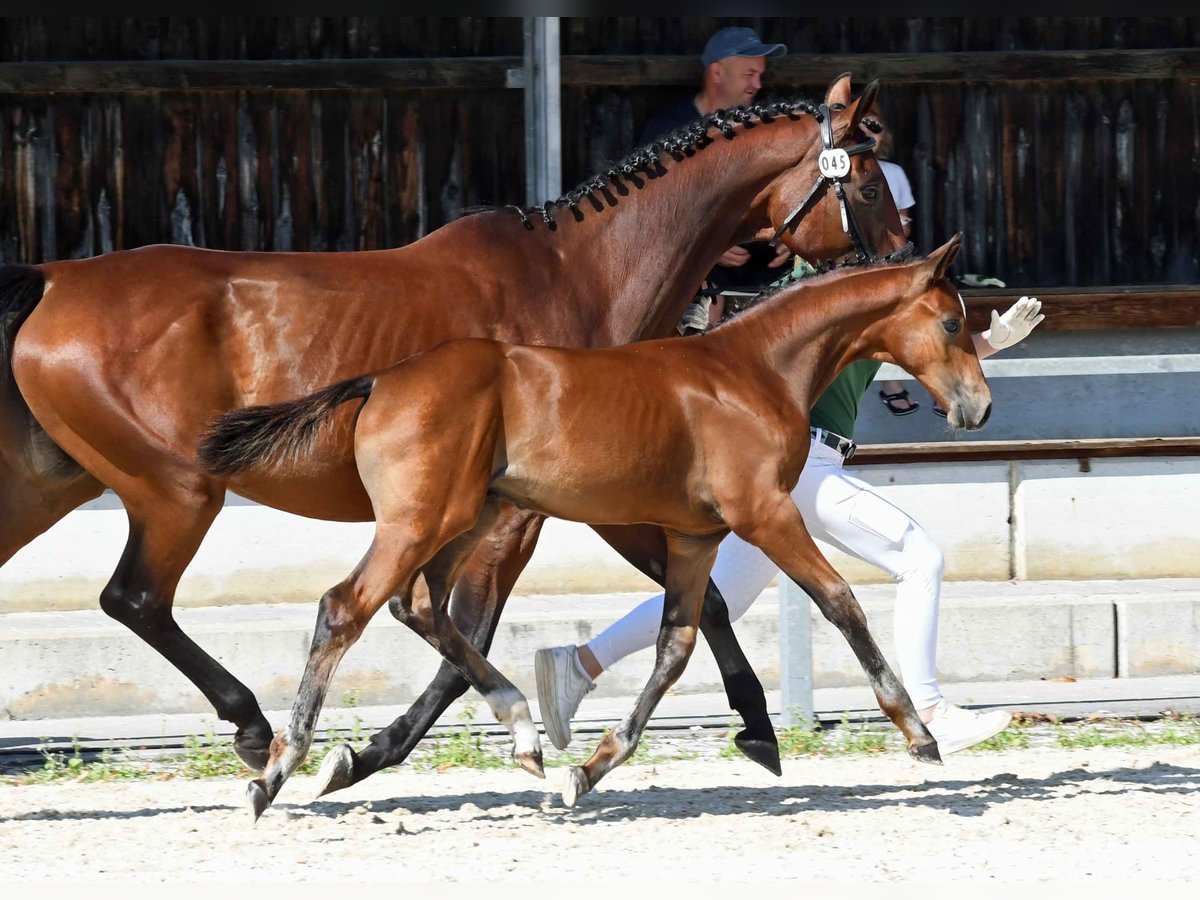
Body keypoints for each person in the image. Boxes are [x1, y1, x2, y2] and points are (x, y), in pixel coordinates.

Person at [535, 293, 1046, 756]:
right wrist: (986, 343)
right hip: (802, 462)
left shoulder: (870, 309)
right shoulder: (834, 299)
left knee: (721, 600)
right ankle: (930, 709)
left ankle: (578, 664)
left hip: (794, 464)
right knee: (919, 558)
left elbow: (926, 353)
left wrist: (990, 342)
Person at [639, 26, 793, 334]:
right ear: (717, 73)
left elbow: (787, 192)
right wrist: (705, 247)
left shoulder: (764, 132)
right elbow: (646, 211)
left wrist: (791, 235)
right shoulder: (667, 133)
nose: (757, 85)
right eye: (749, 74)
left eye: (760, 75)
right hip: (693, 285)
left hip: (765, 286)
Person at [870, 112, 922, 417]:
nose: (868, 133)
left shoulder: (893, 172)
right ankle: (891, 385)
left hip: (888, 258)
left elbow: (904, 223)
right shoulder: (832, 172)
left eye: (874, 127)